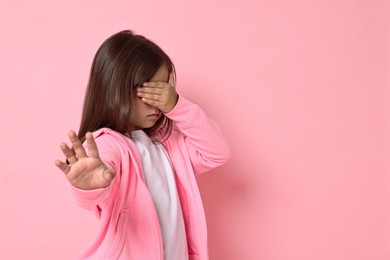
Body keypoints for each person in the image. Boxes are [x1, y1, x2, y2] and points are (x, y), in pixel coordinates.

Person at [55, 30, 231, 260]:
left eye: (163, 92)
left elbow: (218, 152)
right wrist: (88, 186)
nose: (158, 103)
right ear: (116, 89)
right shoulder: (110, 143)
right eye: (148, 92)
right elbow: (99, 171)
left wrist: (178, 106)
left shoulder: (168, 147)